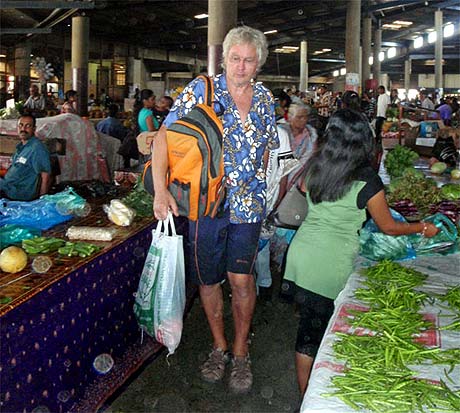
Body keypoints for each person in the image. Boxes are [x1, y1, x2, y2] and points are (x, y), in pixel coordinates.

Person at [151, 25, 278, 394]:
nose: (240, 67)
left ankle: (240, 351)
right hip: (206, 205)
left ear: (259, 64)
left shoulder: (266, 99)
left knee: (241, 279)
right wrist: (161, 191)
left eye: (248, 61)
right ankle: (219, 346)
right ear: (224, 59)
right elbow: (164, 137)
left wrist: (261, 188)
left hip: (248, 207)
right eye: (234, 59)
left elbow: (269, 147)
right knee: (208, 279)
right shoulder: (201, 91)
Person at [283, 109, 440, 399]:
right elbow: (389, 227)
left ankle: (307, 395)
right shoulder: (367, 179)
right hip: (332, 266)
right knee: (331, 334)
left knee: (308, 332)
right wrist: (423, 227)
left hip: (302, 257)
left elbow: (303, 188)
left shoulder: (316, 165)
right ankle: (318, 399)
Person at [255, 103, 317, 292]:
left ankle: (279, 276)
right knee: (261, 240)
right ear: (289, 117)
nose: (302, 121)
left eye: (305, 117)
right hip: (268, 195)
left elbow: (289, 170)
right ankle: (263, 281)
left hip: (293, 193)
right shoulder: (279, 132)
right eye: (299, 117)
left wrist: (283, 196)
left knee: (285, 232)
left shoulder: (309, 137)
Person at [0, 114, 51, 201]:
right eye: (21, 125)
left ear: (34, 129)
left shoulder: (36, 148)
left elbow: (45, 175)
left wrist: (42, 200)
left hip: (17, 193)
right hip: (7, 186)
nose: (23, 129)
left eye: (28, 126)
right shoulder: (21, 147)